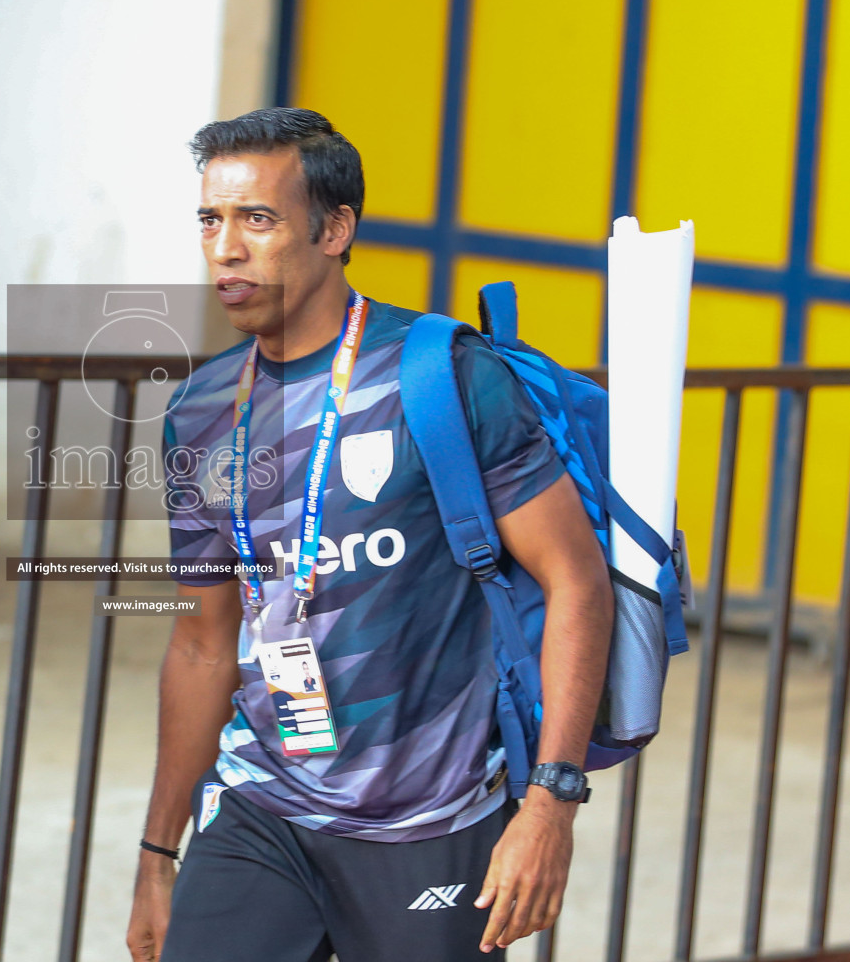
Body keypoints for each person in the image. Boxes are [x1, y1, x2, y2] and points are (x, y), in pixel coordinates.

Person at [127, 108, 614, 962]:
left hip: (431, 824)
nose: (226, 250)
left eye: (259, 219)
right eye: (212, 218)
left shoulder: (445, 377)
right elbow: (204, 643)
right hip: (261, 812)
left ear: (336, 228)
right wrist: (159, 854)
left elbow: (576, 580)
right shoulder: (201, 411)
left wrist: (550, 804)